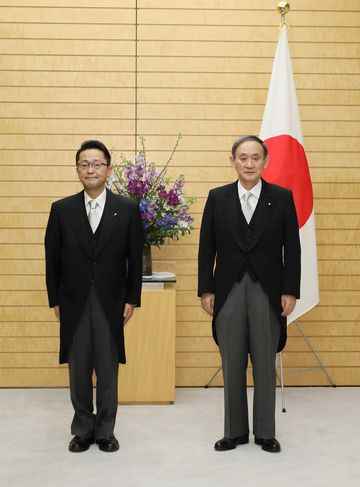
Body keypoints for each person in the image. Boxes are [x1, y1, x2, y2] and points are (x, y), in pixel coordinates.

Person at [198, 135, 301, 453]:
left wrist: (290, 290)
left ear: (265, 161)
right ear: (233, 161)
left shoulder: (282, 198)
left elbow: (292, 250)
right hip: (227, 290)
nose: (249, 163)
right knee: (231, 362)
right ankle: (235, 432)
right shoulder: (217, 198)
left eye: (255, 157)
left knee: (264, 363)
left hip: (267, 291)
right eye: (243, 157)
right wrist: (206, 288)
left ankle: (266, 432)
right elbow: (207, 248)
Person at [45, 140, 144, 453]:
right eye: (85, 164)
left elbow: (135, 260)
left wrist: (131, 299)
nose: (91, 169)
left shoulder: (126, 209)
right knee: (78, 367)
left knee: (107, 366)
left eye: (97, 164)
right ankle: (82, 429)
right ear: (77, 170)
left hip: (111, 301)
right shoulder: (61, 210)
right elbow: (51, 259)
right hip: (73, 301)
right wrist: (55, 300)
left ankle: (106, 431)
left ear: (108, 169)